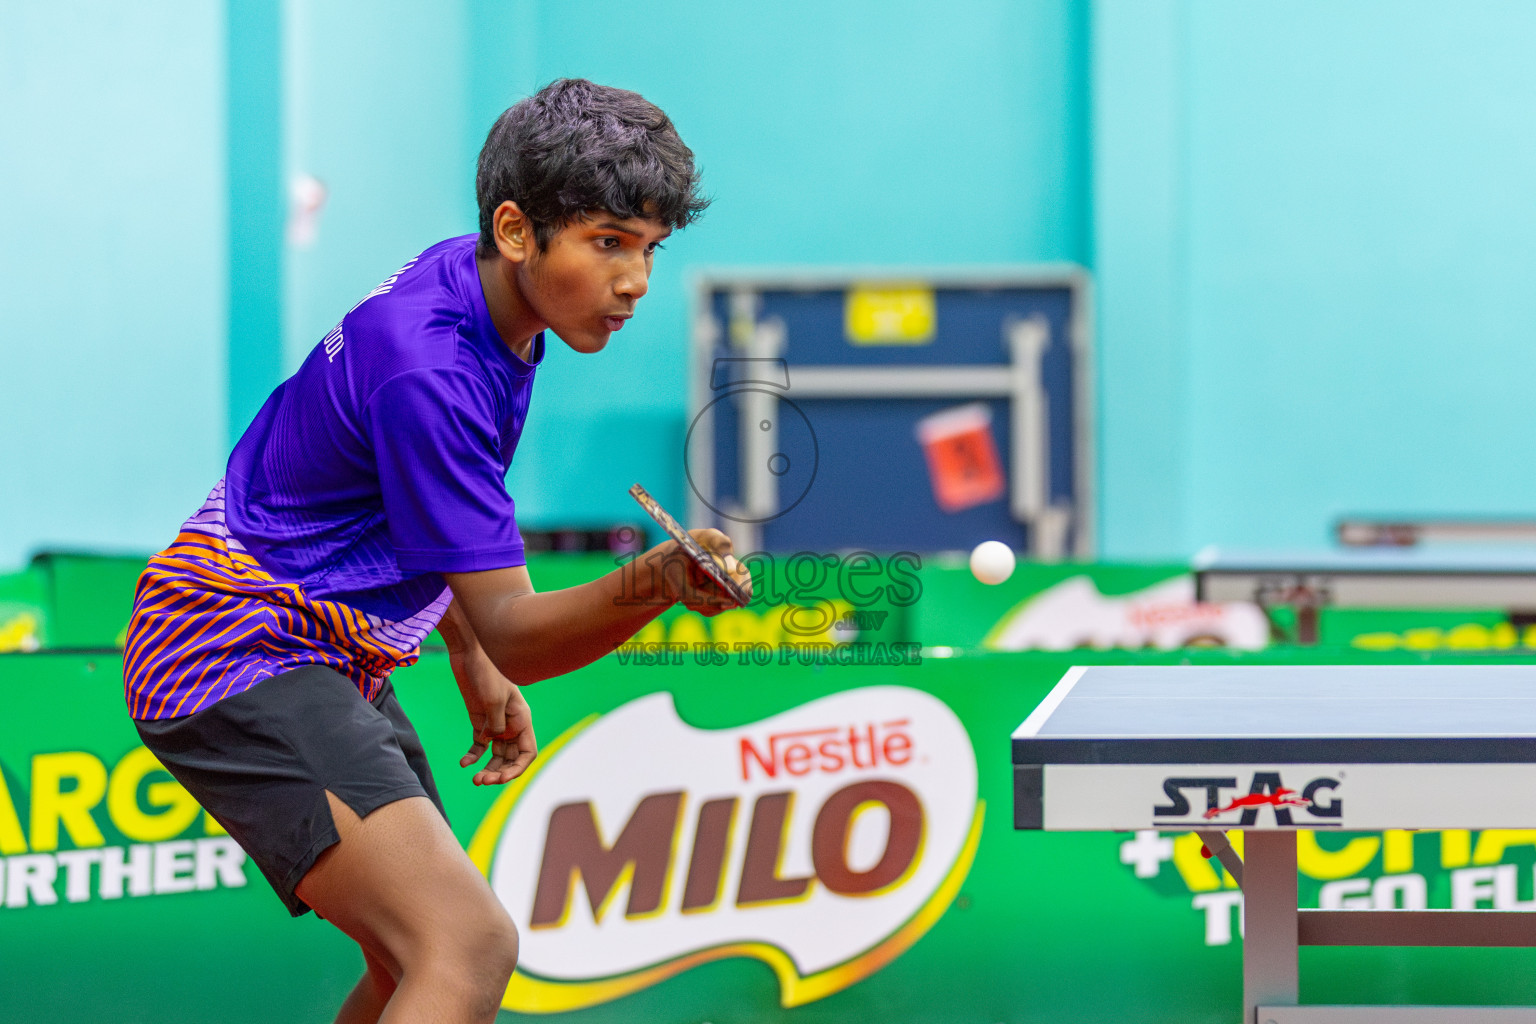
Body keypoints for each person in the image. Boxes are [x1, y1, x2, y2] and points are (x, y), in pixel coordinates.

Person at [123, 78, 746, 1024]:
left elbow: (418, 513)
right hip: (231, 650)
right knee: (466, 945)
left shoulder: (489, 300)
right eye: (609, 243)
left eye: (650, 250)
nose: (636, 284)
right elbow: (524, 633)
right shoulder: (434, 367)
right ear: (514, 229)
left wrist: (469, 656)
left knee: (408, 959)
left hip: (323, 648)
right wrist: (659, 576)